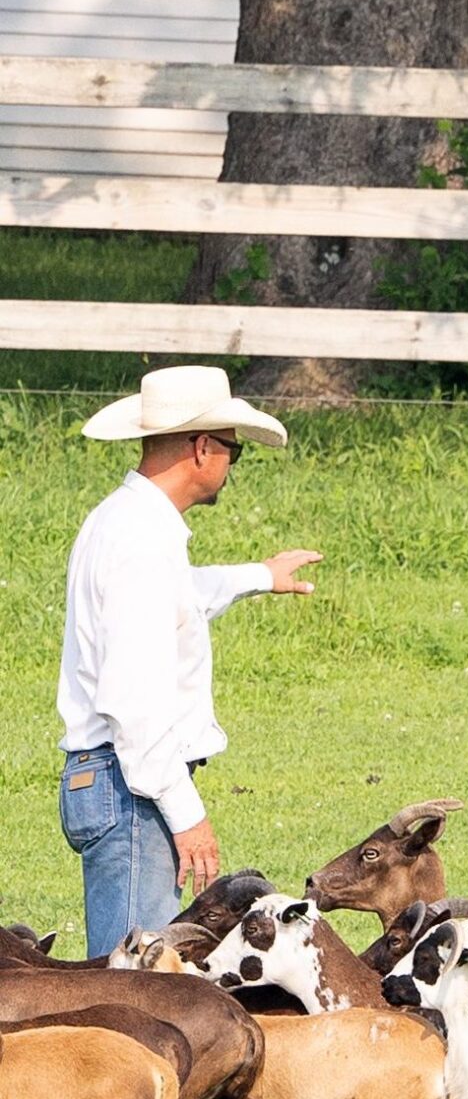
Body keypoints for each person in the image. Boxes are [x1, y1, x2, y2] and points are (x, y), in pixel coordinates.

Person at [57, 366, 322, 957]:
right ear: (202, 448)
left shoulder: (127, 522)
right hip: (131, 786)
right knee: (140, 980)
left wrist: (260, 576)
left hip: (114, 777)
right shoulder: (141, 542)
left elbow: (174, 599)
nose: (231, 465)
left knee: (138, 970)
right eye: (233, 451)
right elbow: (132, 701)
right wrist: (186, 813)